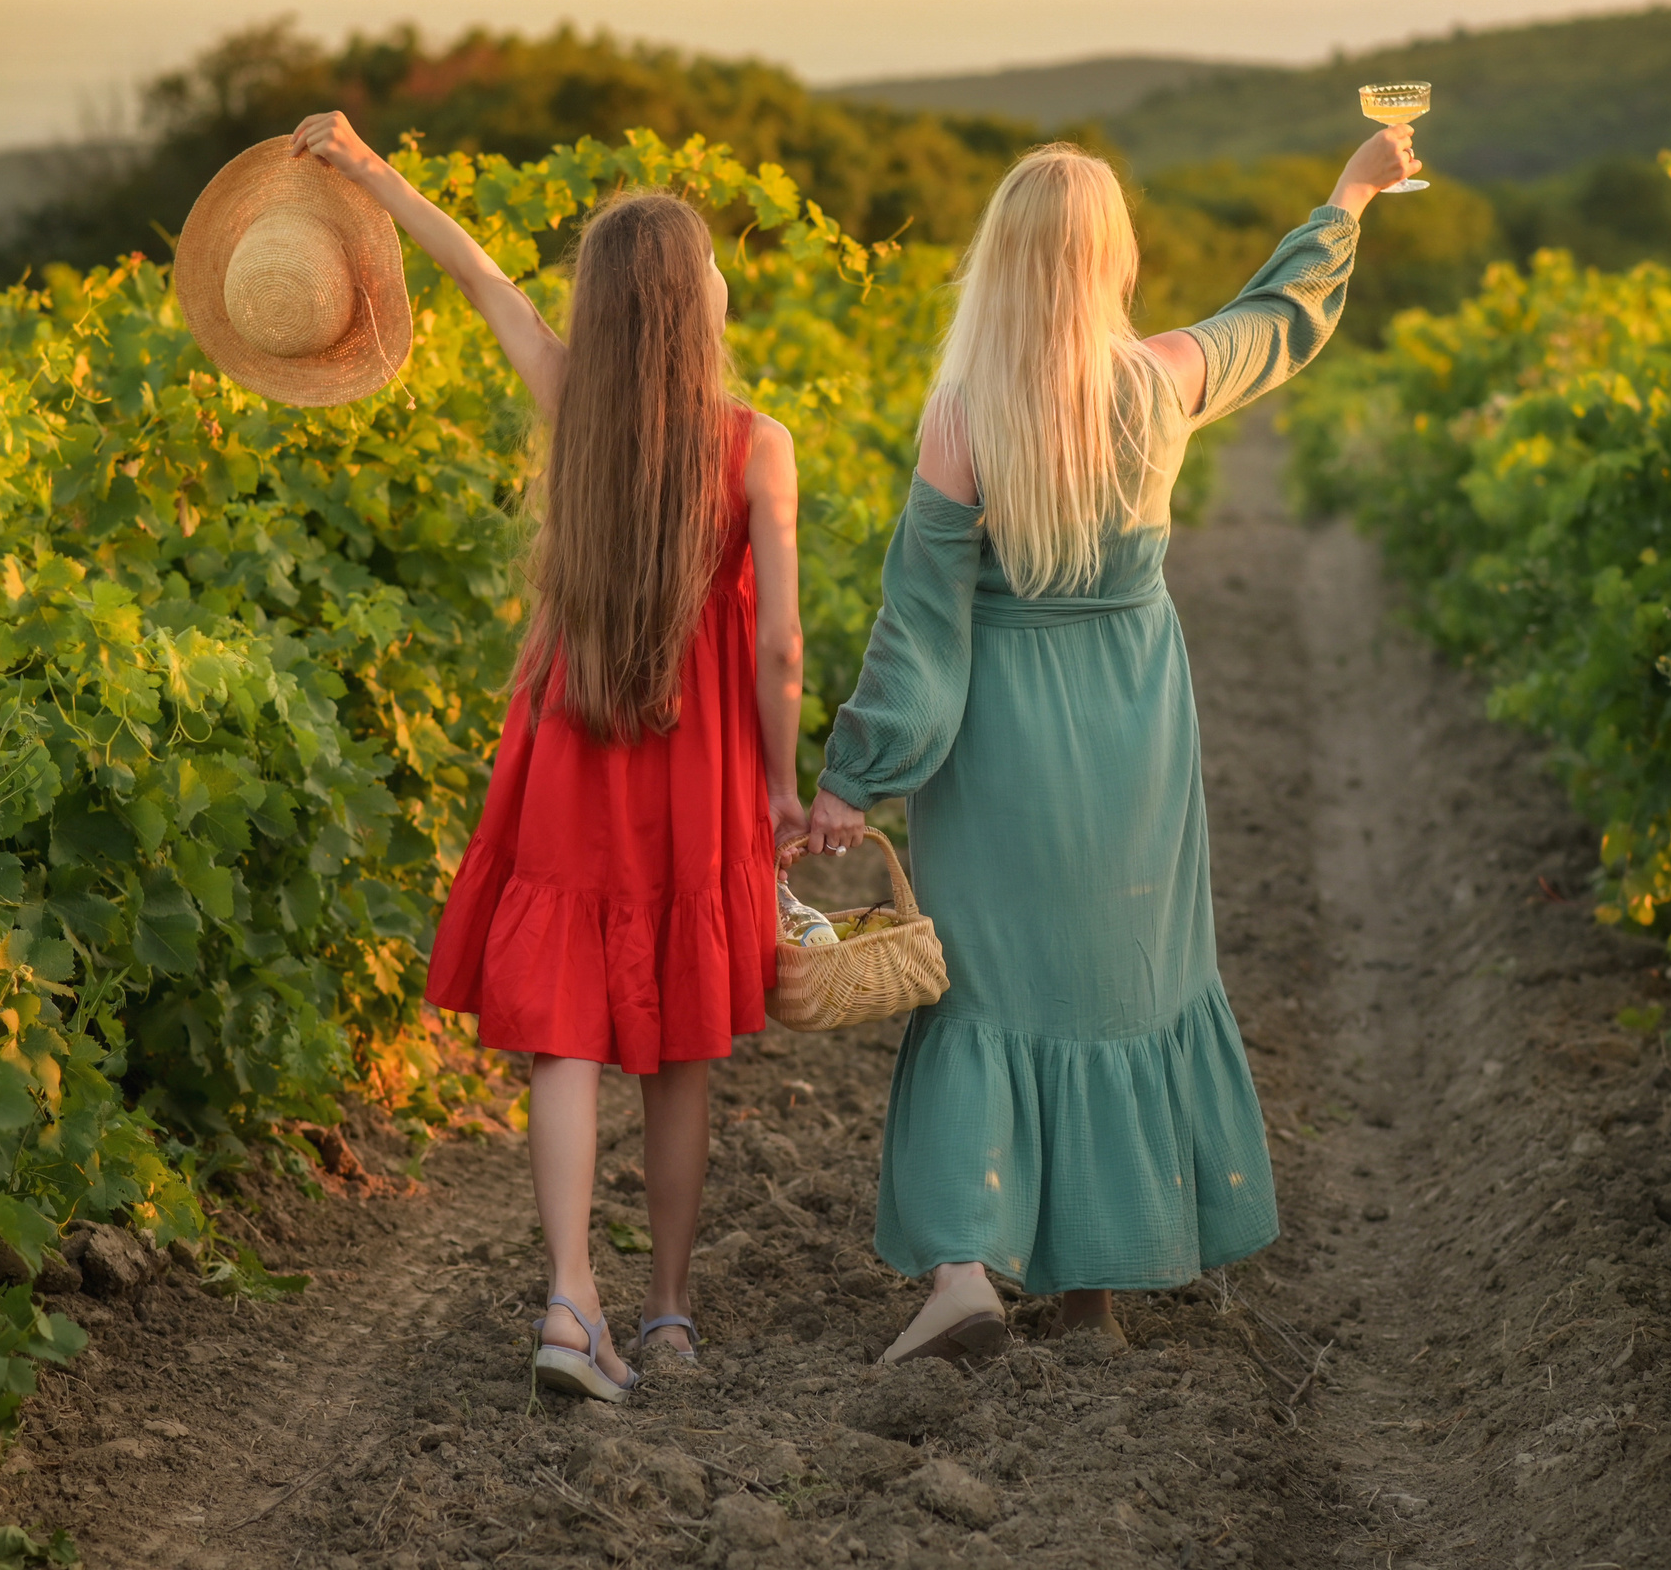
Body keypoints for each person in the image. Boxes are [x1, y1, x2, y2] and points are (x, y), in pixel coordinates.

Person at [806, 127, 1417, 1363]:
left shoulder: (963, 415)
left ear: (1005, 261)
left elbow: (920, 632)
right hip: (1135, 719)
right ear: (1109, 260)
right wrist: (1349, 193)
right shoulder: (1163, 379)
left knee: (984, 986)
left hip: (1001, 739)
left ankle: (967, 1273)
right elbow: (1279, 315)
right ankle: (1095, 1297)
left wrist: (850, 779)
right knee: (1121, 979)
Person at [289, 113, 808, 1401]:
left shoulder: (571, 399)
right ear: (697, 306)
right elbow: (783, 650)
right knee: (679, 1049)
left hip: (573, 750)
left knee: (565, 1041)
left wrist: (368, 172)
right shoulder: (756, 445)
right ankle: (671, 1313)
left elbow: (478, 278)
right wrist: (787, 788)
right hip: (696, 778)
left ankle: (571, 1302)